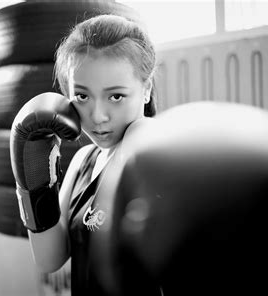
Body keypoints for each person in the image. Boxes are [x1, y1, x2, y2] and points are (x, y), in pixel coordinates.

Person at [9, 14, 160, 295]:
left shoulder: (148, 142)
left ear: (147, 89)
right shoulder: (82, 162)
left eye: (116, 96)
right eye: (82, 96)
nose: (98, 116)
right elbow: (49, 259)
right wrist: (33, 181)